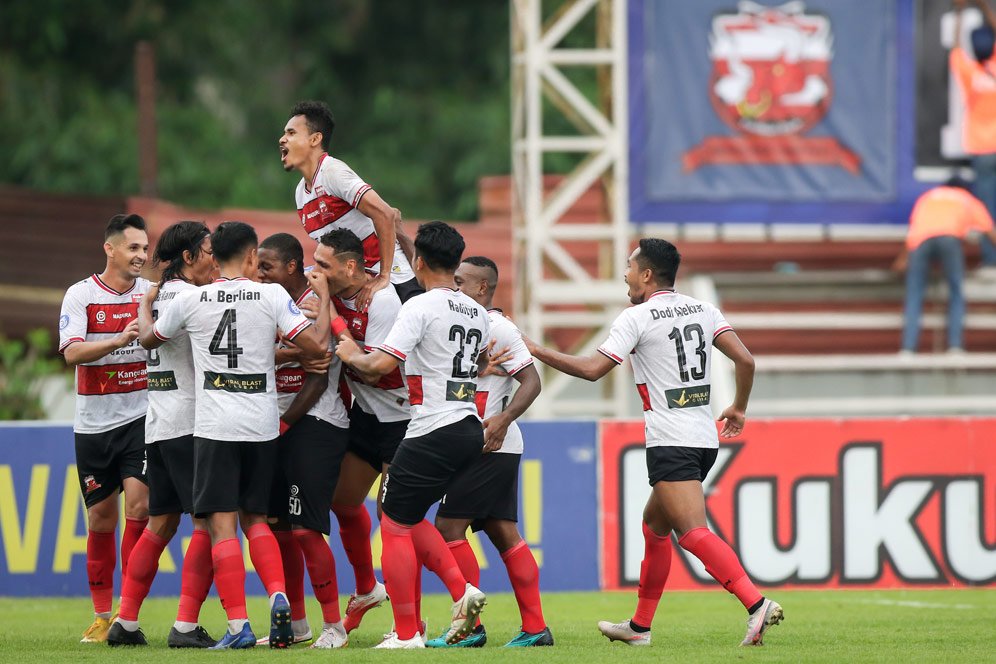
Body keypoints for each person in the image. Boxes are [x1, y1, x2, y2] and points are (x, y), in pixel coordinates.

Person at [524, 238, 782, 648]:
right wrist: (738, 407)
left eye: (629, 267)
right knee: (654, 525)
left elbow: (593, 370)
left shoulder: (637, 317)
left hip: (670, 440)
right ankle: (640, 627)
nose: (625, 275)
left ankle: (756, 604)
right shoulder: (703, 308)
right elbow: (746, 360)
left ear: (646, 274)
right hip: (702, 439)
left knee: (693, 533)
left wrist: (536, 349)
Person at [138, 221, 331, 649]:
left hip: (214, 426)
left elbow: (151, 339)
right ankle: (278, 595)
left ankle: (239, 625)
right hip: (262, 425)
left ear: (215, 255)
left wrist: (147, 303)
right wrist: (325, 300)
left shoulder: (193, 299)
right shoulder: (272, 295)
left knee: (222, 528)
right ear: (249, 257)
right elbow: (317, 348)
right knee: (257, 520)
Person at [335, 221, 490, 649]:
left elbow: (380, 366)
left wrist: (348, 349)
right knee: (405, 515)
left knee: (395, 525)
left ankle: (407, 634)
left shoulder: (418, 307)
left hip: (431, 427)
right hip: (467, 427)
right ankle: (461, 591)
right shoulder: (475, 311)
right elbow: (478, 363)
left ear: (417, 262)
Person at [426, 255, 552, 648]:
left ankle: (470, 629)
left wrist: (502, 419)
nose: (454, 286)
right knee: (504, 535)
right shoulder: (462, 323)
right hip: (483, 444)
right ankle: (535, 629)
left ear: (483, 288)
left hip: (488, 444)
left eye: (461, 281)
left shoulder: (496, 325)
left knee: (447, 529)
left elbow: (531, 381)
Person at [107, 221, 219, 648]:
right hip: (193, 425)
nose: (214, 258)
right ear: (188, 257)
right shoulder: (195, 298)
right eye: (208, 251)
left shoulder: (154, 295)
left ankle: (126, 621)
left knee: (161, 523)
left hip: (159, 424)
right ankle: (186, 626)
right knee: (211, 523)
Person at [58, 213, 152, 643]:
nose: (141, 255)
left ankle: (124, 613)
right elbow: (72, 353)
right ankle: (100, 614)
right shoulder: (80, 295)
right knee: (100, 518)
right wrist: (117, 340)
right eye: (133, 248)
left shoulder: (151, 294)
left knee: (140, 508)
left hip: (142, 419)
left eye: (145, 248)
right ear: (110, 249)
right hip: (94, 424)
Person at [256, 233, 350, 649]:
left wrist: (284, 425)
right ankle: (297, 622)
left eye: (267, 266)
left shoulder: (313, 306)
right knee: (279, 530)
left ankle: (334, 625)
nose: (259, 274)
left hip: (314, 422)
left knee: (307, 531)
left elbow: (318, 375)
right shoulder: (262, 304)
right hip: (272, 422)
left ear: (292, 266)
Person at [310, 228, 407, 633]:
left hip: (402, 419)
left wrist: (330, 313)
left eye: (323, 265)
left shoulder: (382, 301)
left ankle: (411, 623)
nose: (315, 272)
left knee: (396, 522)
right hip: (367, 417)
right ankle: (368, 588)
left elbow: (374, 370)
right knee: (342, 501)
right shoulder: (334, 295)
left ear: (352, 266)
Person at [280, 100, 422, 307]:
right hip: (353, 288)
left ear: (315, 139)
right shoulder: (300, 193)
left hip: (394, 281)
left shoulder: (333, 172)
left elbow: (386, 214)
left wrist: (383, 277)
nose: (282, 139)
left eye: (291, 133)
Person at [896, 178, 996, 353]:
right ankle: (955, 346)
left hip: (920, 242)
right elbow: (989, 230)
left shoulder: (928, 197)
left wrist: (903, 259)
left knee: (914, 294)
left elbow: (914, 229)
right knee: (956, 290)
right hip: (950, 239)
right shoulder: (966, 198)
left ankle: (908, 348)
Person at [951, 0, 996, 220]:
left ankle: (990, 255)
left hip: (981, 148)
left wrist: (959, 13)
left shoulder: (970, 73)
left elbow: (955, 49)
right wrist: (985, 6)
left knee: (985, 206)